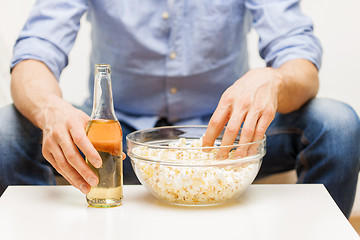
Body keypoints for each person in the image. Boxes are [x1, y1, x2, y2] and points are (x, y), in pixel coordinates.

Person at [0, 0, 359, 218]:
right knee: (7, 130)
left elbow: (301, 60)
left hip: (226, 142)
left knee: (338, 124)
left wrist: (273, 79)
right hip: (118, 143)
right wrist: (50, 109)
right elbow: (36, 50)